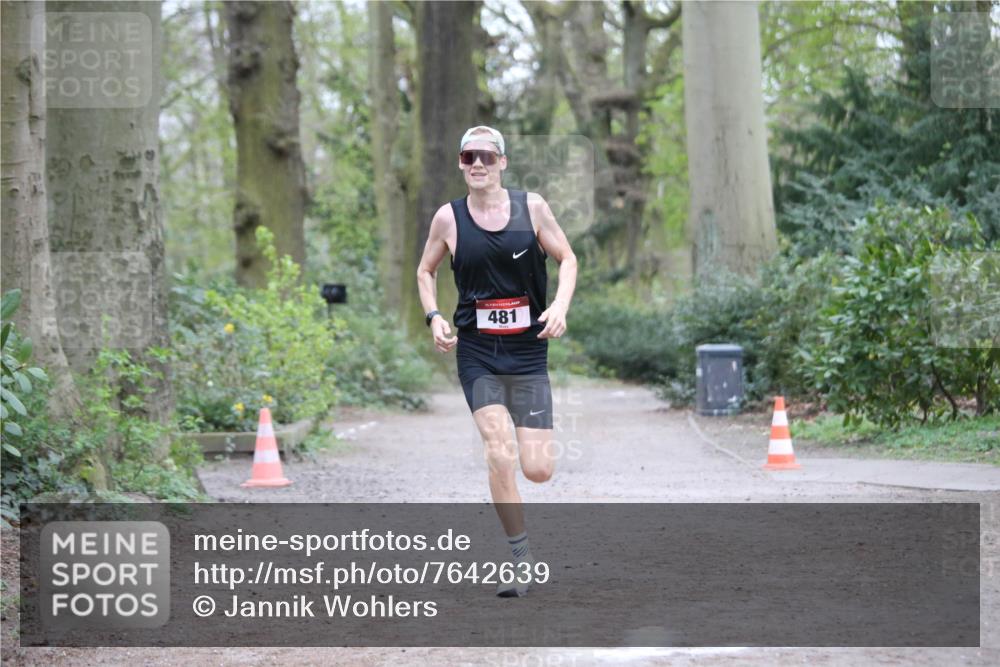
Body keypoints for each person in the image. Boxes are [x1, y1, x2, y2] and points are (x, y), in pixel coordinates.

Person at [416, 126, 578, 597]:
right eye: (469, 157)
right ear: (462, 165)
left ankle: (517, 491)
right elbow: (425, 270)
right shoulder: (448, 219)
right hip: (478, 352)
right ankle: (521, 560)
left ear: (503, 162)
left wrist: (561, 306)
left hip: (527, 352)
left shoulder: (533, 208)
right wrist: (433, 316)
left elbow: (567, 258)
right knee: (499, 449)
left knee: (538, 469)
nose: (478, 164)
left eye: (487, 156)